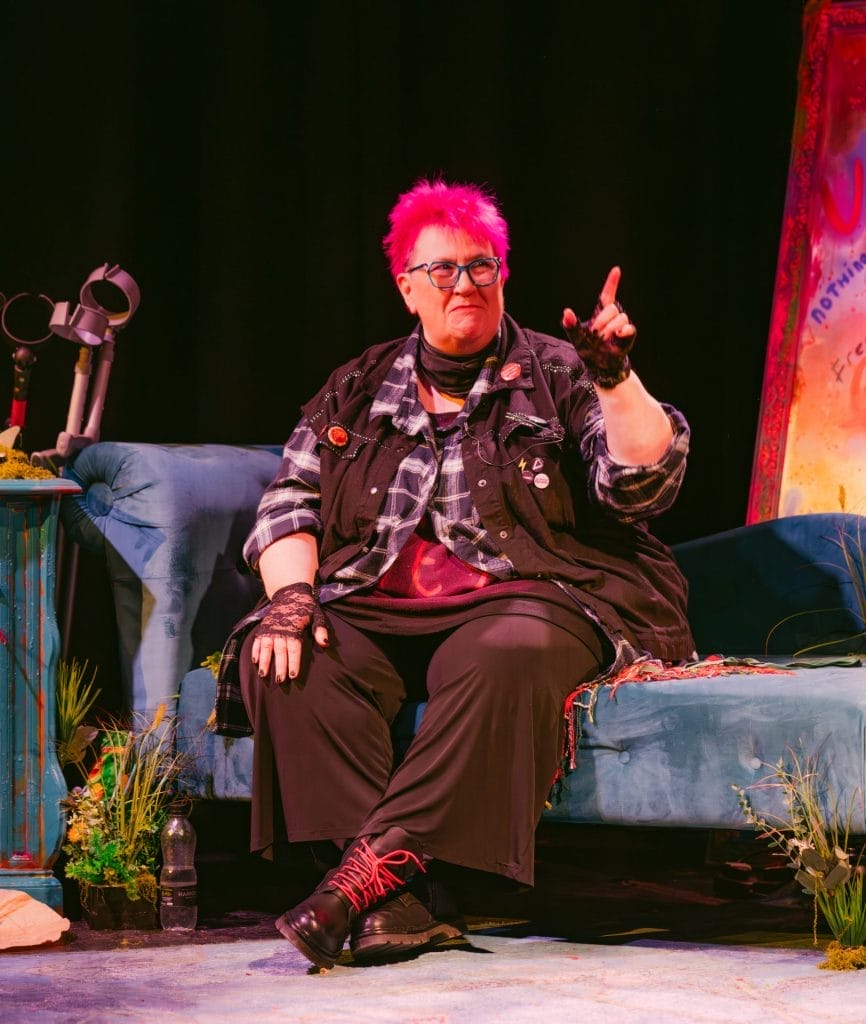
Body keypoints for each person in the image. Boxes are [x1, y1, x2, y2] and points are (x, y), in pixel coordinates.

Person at [214, 177, 696, 970]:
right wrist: (293, 597)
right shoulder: (357, 387)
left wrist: (616, 380)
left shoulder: (560, 371)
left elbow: (639, 484)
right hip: (378, 597)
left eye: (481, 267)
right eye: (442, 270)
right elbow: (287, 503)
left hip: (540, 593)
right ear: (407, 287)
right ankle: (402, 906)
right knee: (286, 660)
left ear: (502, 277)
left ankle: (354, 886)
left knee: (501, 651)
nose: (464, 284)